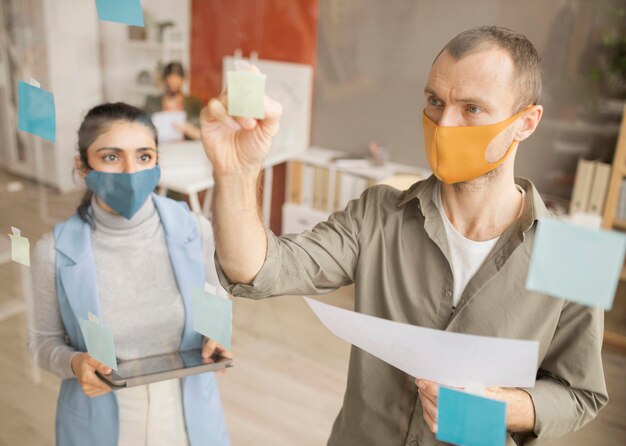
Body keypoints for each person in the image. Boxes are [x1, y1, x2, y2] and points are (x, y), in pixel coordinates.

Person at [199, 26, 607, 445]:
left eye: (472, 109)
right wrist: (237, 173)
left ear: (526, 122)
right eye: (435, 101)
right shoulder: (377, 214)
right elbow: (256, 269)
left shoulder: (576, 256)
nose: (444, 124)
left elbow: (582, 394)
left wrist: (505, 407)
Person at [28, 103, 231, 446]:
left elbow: (216, 302)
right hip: (103, 422)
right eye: (111, 157)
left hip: (189, 417)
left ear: (156, 161)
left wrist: (217, 333)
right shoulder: (52, 252)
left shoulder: (195, 230)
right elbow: (41, 343)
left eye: (143, 157)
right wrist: (74, 363)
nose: (130, 171)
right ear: (82, 166)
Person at [144, 61, 203, 140]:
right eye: (170, 82)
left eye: (176, 82)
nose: (173, 84)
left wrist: (188, 129)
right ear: (164, 80)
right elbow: (143, 127)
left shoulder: (193, 103)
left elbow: (202, 132)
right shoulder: (152, 103)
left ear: (183, 80)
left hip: (186, 148)